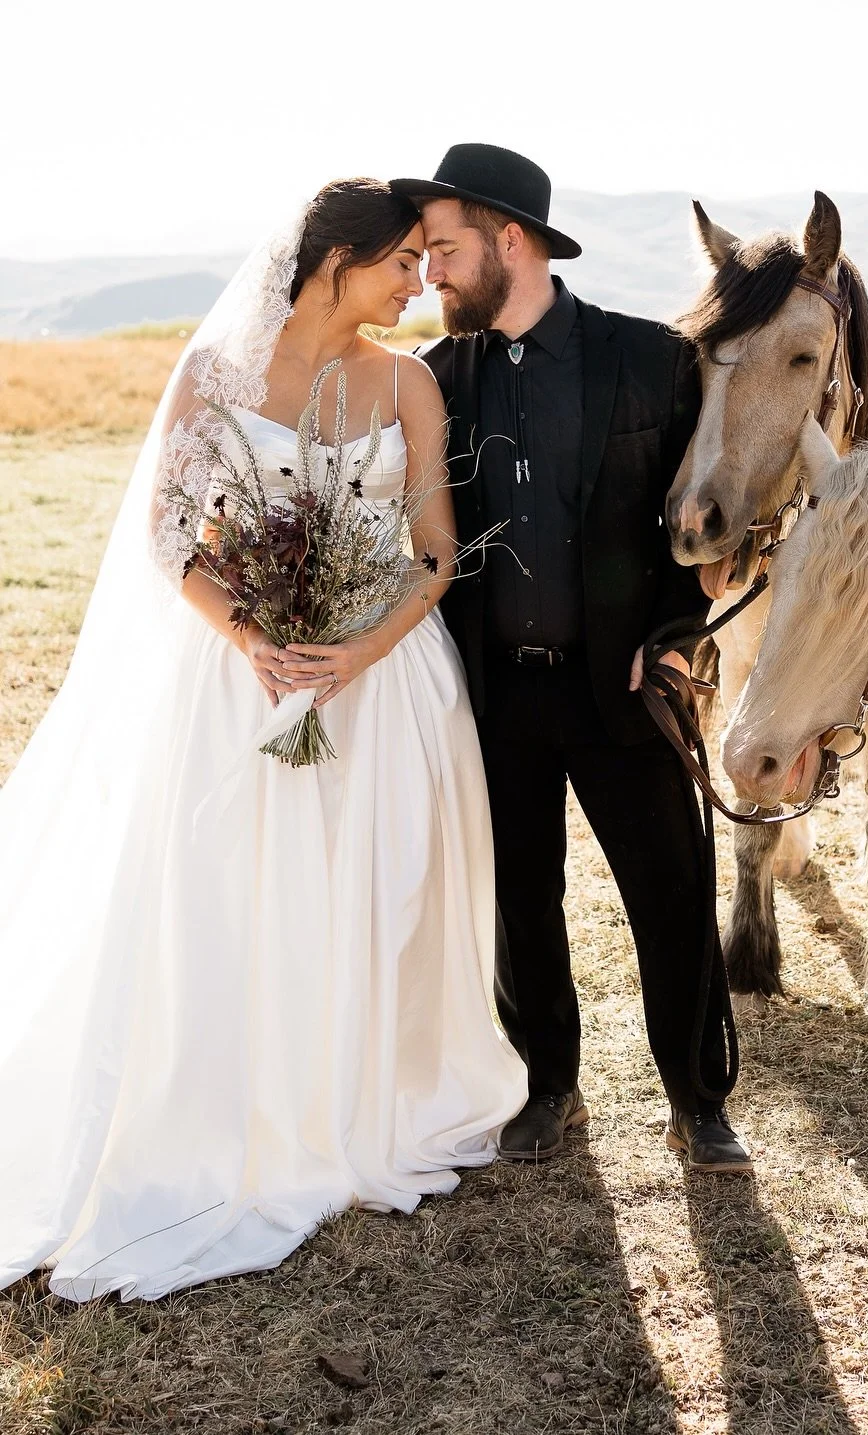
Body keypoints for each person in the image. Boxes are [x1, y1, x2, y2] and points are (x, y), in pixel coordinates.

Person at [0, 179, 528, 1302]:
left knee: (371, 889)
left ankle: (356, 1099)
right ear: (338, 260)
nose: (416, 284)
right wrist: (255, 638)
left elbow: (436, 550)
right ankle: (235, 1104)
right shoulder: (217, 378)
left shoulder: (408, 382)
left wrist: (355, 653)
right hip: (243, 681)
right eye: (400, 264)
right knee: (234, 891)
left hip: (381, 684)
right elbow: (166, 537)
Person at [394, 145, 751, 1173]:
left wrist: (681, 638)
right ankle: (547, 1087)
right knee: (520, 896)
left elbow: (705, 527)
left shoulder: (652, 359)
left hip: (627, 685)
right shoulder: (434, 379)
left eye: (448, 250)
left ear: (514, 241)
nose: (434, 274)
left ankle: (698, 1098)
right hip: (495, 687)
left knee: (671, 892)